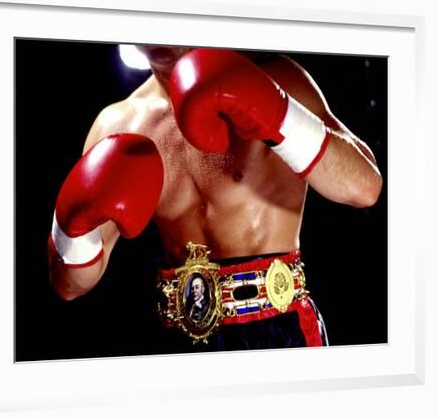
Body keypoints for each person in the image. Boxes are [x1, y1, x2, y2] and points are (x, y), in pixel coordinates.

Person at [47, 45, 383, 351]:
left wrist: (275, 112)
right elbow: (70, 286)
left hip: (280, 332)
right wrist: (73, 230)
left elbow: (364, 187)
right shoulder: (119, 125)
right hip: (179, 340)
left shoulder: (271, 77)